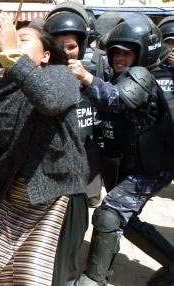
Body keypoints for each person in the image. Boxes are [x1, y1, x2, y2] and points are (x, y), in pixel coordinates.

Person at [72, 15, 174, 286]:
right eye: (116, 52)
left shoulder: (140, 75)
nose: (120, 58)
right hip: (133, 163)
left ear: (142, 53)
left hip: (149, 167)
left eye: (127, 54)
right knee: (125, 221)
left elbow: (116, 100)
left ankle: (93, 279)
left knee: (110, 214)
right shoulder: (122, 75)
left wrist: (85, 77)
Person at [0, 12, 87, 285]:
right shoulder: (0, 86)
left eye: (23, 39)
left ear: (45, 56)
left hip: (54, 198)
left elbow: (49, 100)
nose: (12, 42)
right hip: (14, 199)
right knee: (6, 273)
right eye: (9, 40)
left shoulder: (60, 76)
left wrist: (11, 55)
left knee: (37, 277)